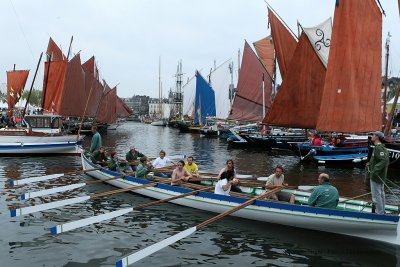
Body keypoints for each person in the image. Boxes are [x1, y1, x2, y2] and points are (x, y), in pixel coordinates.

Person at [367, 131, 389, 214]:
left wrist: (375, 170)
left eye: (373, 135)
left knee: (377, 195)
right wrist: (370, 164)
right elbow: (381, 160)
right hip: (380, 175)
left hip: (376, 176)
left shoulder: (378, 148)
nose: (371, 136)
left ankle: (380, 213)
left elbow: (384, 160)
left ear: (377, 137)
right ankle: (382, 211)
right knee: (381, 194)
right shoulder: (382, 147)